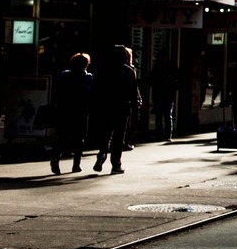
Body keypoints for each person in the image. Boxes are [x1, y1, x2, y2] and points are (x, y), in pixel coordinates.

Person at [92, 44, 141, 175]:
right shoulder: (128, 71)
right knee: (119, 137)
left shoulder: (103, 69)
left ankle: (102, 154)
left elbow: (96, 88)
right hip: (122, 107)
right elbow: (133, 92)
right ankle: (116, 165)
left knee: (105, 133)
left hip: (105, 105)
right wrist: (135, 107)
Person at [49, 52, 93, 174]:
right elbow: (92, 95)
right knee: (79, 138)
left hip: (65, 109)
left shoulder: (65, 75)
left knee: (63, 137)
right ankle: (76, 165)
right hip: (81, 111)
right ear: (87, 64)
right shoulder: (88, 78)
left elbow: (56, 91)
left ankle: (55, 158)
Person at [149, 52, 180, 142]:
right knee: (166, 115)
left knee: (163, 115)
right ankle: (166, 134)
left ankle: (162, 134)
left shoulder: (160, 68)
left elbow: (150, 80)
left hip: (163, 95)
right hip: (166, 95)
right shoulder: (169, 68)